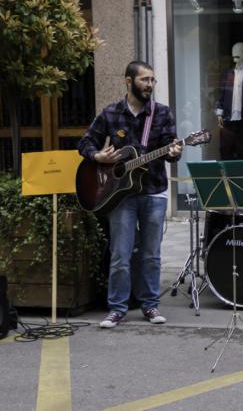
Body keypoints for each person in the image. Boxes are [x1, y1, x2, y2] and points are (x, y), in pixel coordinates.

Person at [77, 61, 182, 328]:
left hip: (154, 191)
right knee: (120, 254)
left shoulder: (162, 113)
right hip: (119, 195)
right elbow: (85, 143)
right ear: (128, 81)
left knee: (150, 254)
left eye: (153, 80)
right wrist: (97, 155)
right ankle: (117, 308)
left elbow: (172, 149)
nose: (149, 85)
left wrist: (175, 152)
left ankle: (150, 305)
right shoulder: (111, 113)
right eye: (145, 79)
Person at [215, 42, 243, 160]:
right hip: (228, 119)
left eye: (238, 54)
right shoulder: (228, 74)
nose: (235, 57)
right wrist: (219, 113)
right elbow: (221, 94)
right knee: (226, 150)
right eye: (233, 55)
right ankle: (227, 177)